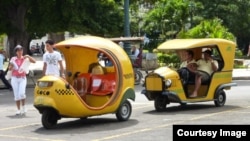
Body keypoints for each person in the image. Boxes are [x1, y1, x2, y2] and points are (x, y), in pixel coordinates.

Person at [9, 45, 36, 115]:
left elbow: (34, 61)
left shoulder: (25, 58)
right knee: (16, 95)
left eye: (21, 50)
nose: (20, 52)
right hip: (14, 78)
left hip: (22, 78)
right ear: (16, 52)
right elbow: (10, 67)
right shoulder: (13, 59)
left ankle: (23, 107)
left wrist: (28, 56)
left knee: (22, 93)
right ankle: (18, 109)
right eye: (18, 50)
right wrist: (11, 67)